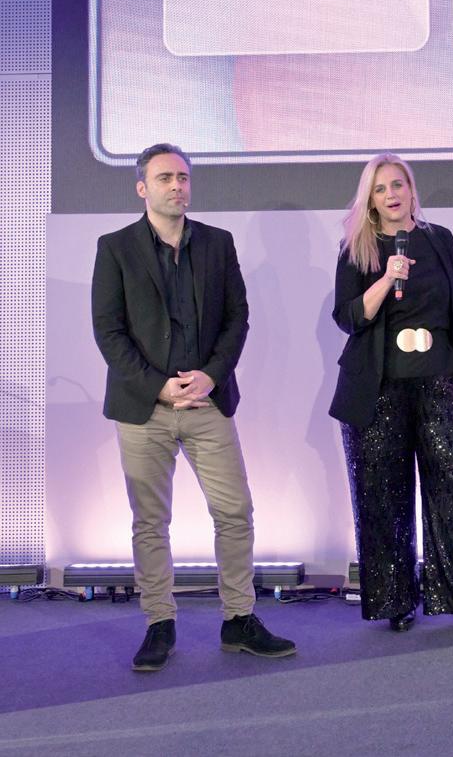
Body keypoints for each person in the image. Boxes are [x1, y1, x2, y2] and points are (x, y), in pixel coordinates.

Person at [91, 143, 296, 672]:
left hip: (207, 402)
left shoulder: (217, 243)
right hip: (144, 407)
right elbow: (109, 332)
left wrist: (212, 374)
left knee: (235, 512)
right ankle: (159, 623)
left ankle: (239, 619)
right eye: (165, 178)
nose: (177, 186)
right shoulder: (115, 248)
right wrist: (158, 387)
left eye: (183, 177)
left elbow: (237, 318)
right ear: (142, 187)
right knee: (150, 520)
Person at [329, 153, 453, 633]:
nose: (391, 194)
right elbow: (347, 317)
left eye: (398, 184)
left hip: (441, 381)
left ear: (411, 189)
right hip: (378, 391)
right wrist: (386, 278)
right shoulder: (357, 247)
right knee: (384, 495)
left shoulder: (439, 239)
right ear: (370, 200)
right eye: (380, 189)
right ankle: (396, 600)